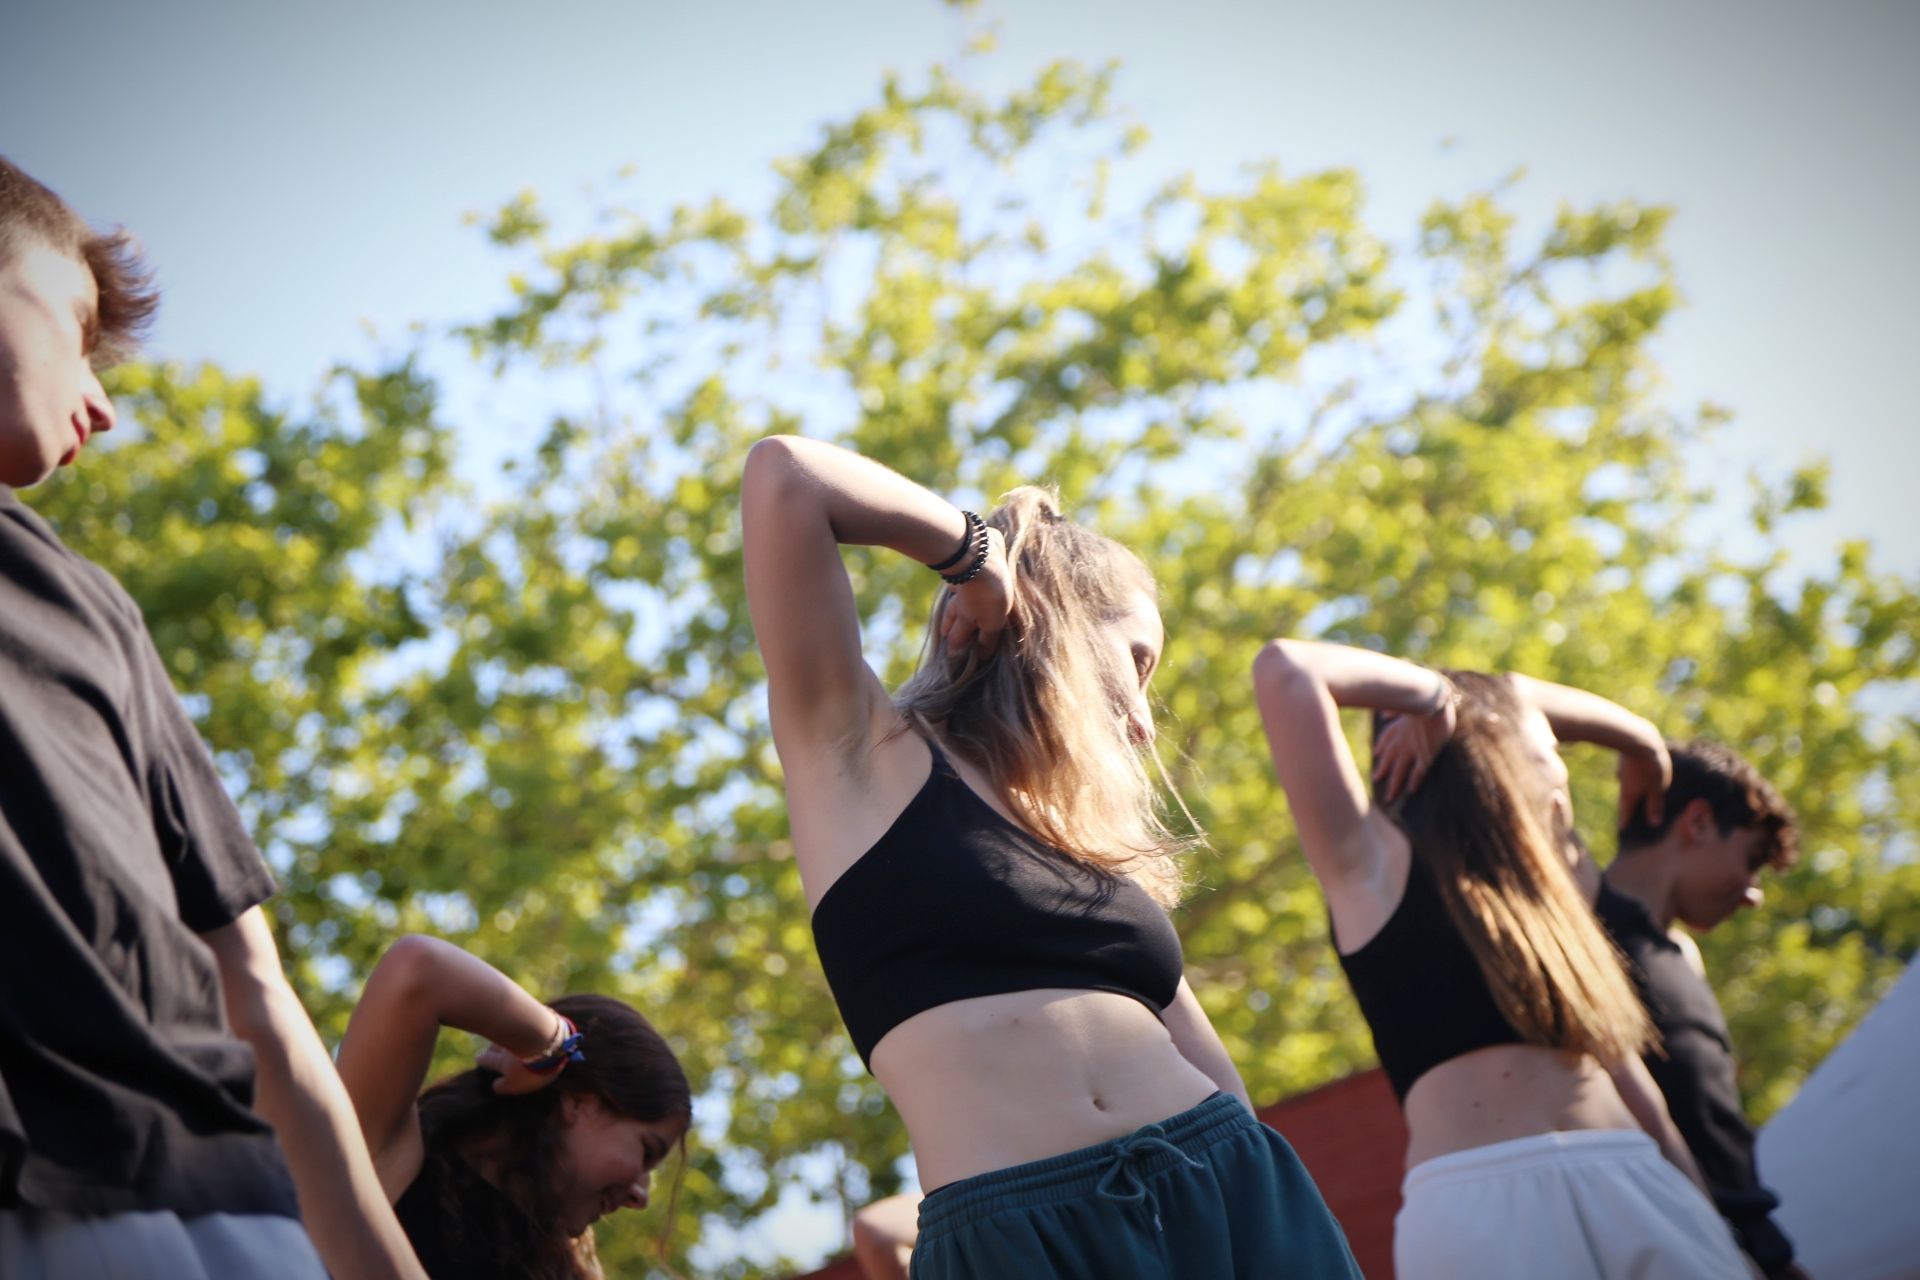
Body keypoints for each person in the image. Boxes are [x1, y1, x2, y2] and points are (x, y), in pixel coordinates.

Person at [741, 435, 1359, 1279]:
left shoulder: (1088, 848)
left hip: (1227, 1183)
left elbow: (1227, 1091)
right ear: (1056, 617)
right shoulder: (858, 751)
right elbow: (786, 475)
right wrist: (974, 554)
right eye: (1138, 661)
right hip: (1019, 1237)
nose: (1144, 722)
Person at [0, 155, 423, 1277]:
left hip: (211, 1202)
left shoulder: (89, 608)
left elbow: (252, 985)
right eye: (77, 326)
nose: (103, 400)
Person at [1251, 639, 1749, 1278]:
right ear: (1490, 748)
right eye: (1549, 758)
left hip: (1635, 1177)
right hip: (1479, 1212)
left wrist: (1644, 742)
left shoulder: (1556, 897)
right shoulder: (1367, 867)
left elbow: (1637, 1090)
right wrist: (1437, 698)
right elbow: (1287, 670)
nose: (1562, 782)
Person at [337, 934, 692, 1280]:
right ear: (577, 1100)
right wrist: (556, 1045)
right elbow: (419, 967)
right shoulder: (390, 1157)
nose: (639, 1197)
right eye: (647, 1152)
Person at [1600, 740, 1806, 1278]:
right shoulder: (1577, 935)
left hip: (1736, 1246)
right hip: (1648, 1245)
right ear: (1696, 822)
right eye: (1751, 859)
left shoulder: (1683, 957)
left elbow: (1712, 1128)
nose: (1752, 894)